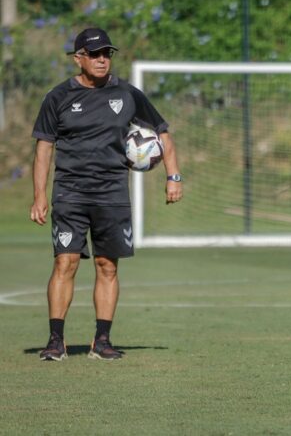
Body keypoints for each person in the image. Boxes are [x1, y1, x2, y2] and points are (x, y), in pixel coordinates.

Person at [30, 28, 183, 361]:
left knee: (107, 266)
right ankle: (56, 340)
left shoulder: (127, 94)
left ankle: (102, 340)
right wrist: (39, 195)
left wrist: (173, 177)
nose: (102, 60)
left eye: (107, 54)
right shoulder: (57, 97)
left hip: (112, 193)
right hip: (70, 193)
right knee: (65, 262)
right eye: (94, 54)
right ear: (78, 58)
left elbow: (162, 133)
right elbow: (43, 149)